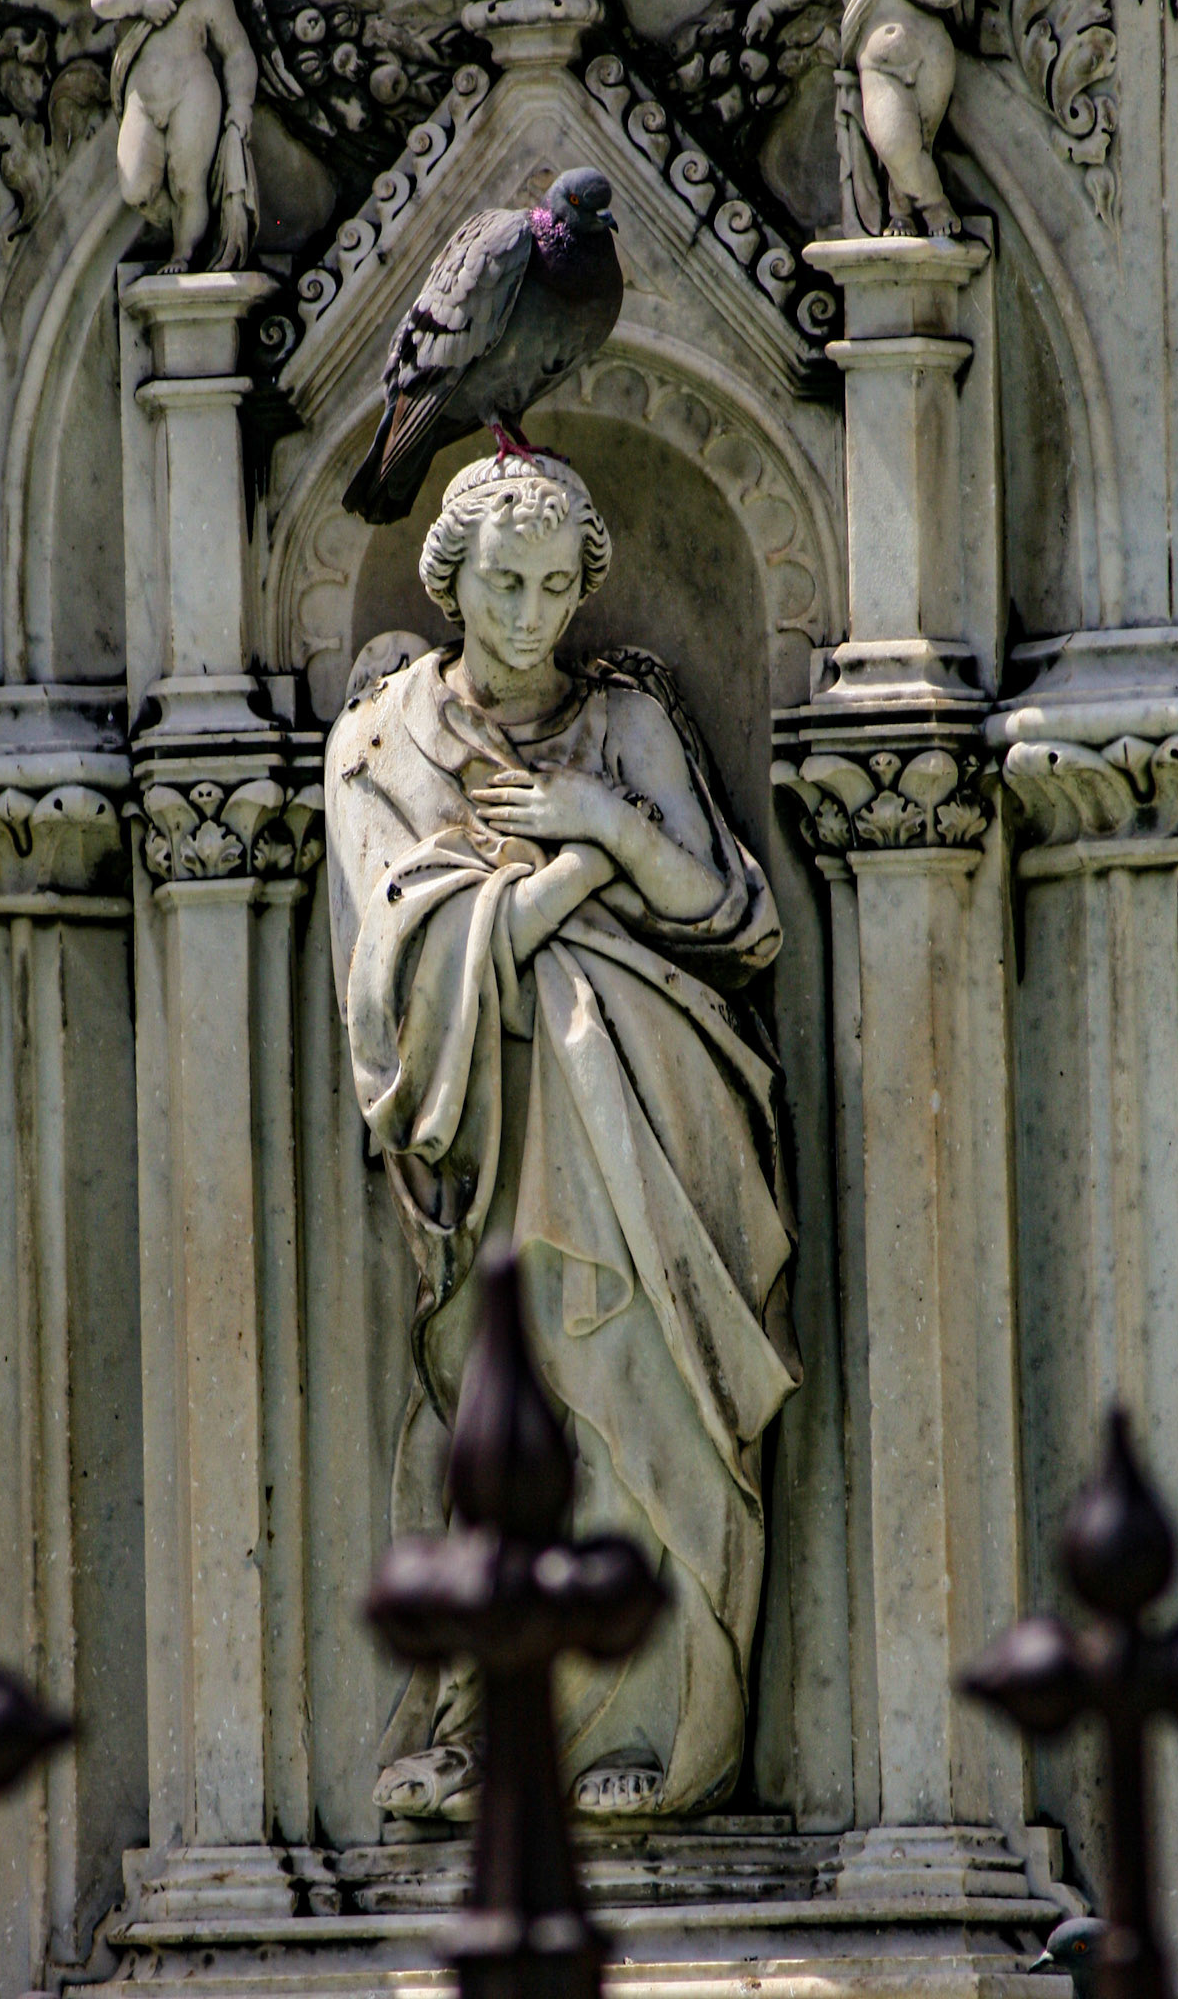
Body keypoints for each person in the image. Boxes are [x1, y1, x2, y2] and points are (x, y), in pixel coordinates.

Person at [325, 455, 801, 1819]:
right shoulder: (384, 741)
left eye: (552, 587)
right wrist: (592, 869)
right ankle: (494, 1731)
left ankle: (667, 1726)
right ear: (450, 582)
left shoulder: (627, 720)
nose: (529, 614)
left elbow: (742, 924)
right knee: (512, 1424)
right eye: (502, 585)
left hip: (662, 1129)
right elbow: (394, 973)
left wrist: (600, 825)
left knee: (654, 1415)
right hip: (491, 1138)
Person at [748, 0, 962, 236]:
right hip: (881, 66)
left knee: (919, 142)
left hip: (932, 52)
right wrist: (765, 7)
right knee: (893, 143)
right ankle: (934, 204)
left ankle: (900, 212)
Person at [91, 0, 258, 272]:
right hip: (142, 98)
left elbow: (237, 51)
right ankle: (188, 222)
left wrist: (240, 106)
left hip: (193, 92)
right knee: (135, 188)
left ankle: (183, 251)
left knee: (187, 181)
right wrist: (141, 1)